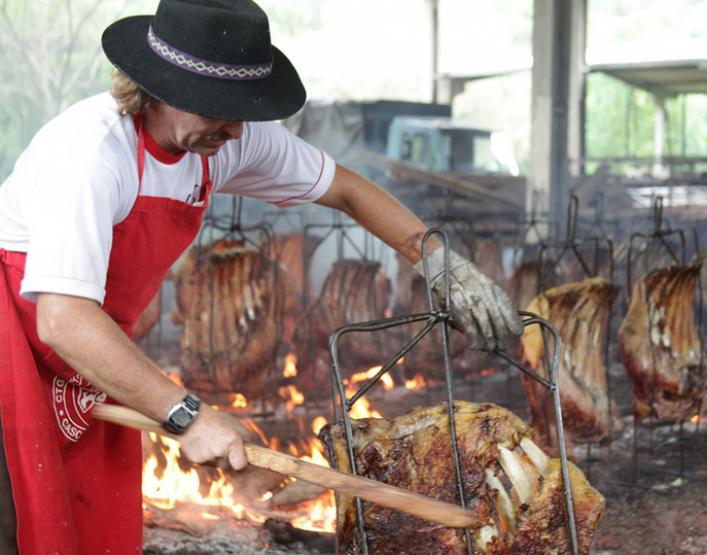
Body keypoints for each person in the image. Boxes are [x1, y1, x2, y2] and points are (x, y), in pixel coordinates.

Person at [0, 0, 522, 552]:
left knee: (91, 531)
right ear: (159, 89)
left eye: (241, 109)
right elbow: (63, 318)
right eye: (216, 108)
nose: (233, 127)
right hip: (13, 349)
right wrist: (188, 416)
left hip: (87, 368)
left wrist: (437, 258)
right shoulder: (90, 153)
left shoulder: (224, 138)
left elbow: (345, 187)